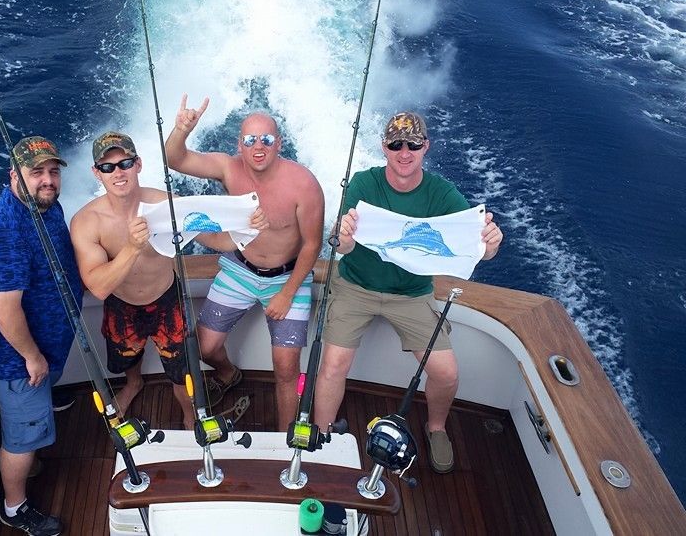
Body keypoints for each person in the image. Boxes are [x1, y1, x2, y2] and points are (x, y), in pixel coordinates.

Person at [313, 111, 504, 474]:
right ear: (384, 147)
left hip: (413, 294)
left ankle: (436, 427)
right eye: (396, 144)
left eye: (413, 145)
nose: (404, 152)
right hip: (356, 286)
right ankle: (322, 438)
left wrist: (491, 243)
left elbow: (476, 246)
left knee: (446, 372)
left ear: (425, 147)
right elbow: (341, 246)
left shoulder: (441, 193)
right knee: (333, 364)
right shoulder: (364, 183)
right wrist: (341, 235)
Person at [70, 131, 267, 430]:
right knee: (127, 359)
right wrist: (132, 248)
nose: (118, 173)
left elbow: (215, 238)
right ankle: (134, 384)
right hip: (121, 305)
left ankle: (189, 411)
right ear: (97, 173)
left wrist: (249, 229)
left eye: (125, 163)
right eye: (108, 167)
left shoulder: (167, 205)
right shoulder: (86, 221)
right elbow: (98, 287)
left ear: (138, 164)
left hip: (166, 300)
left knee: (182, 368)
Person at [165, 96, 325, 431]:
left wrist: (287, 294)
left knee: (286, 368)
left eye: (266, 139)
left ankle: (285, 441)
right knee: (203, 348)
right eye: (250, 140)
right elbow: (175, 159)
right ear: (239, 144)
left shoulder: (304, 184)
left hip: (287, 278)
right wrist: (182, 130)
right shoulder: (229, 168)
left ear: (279, 143)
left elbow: (312, 245)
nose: (258, 147)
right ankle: (228, 373)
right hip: (239, 268)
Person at [0, 137, 80, 536]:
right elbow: (4, 309)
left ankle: (41, 397)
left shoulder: (45, 205)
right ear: (13, 176)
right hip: (17, 364)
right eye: (36, 172)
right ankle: (14, 508)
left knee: (29, 419)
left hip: (45, 349)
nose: (47, 180)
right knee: (24, 441)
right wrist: (33, 358)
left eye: (53, 171)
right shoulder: (7, 231)